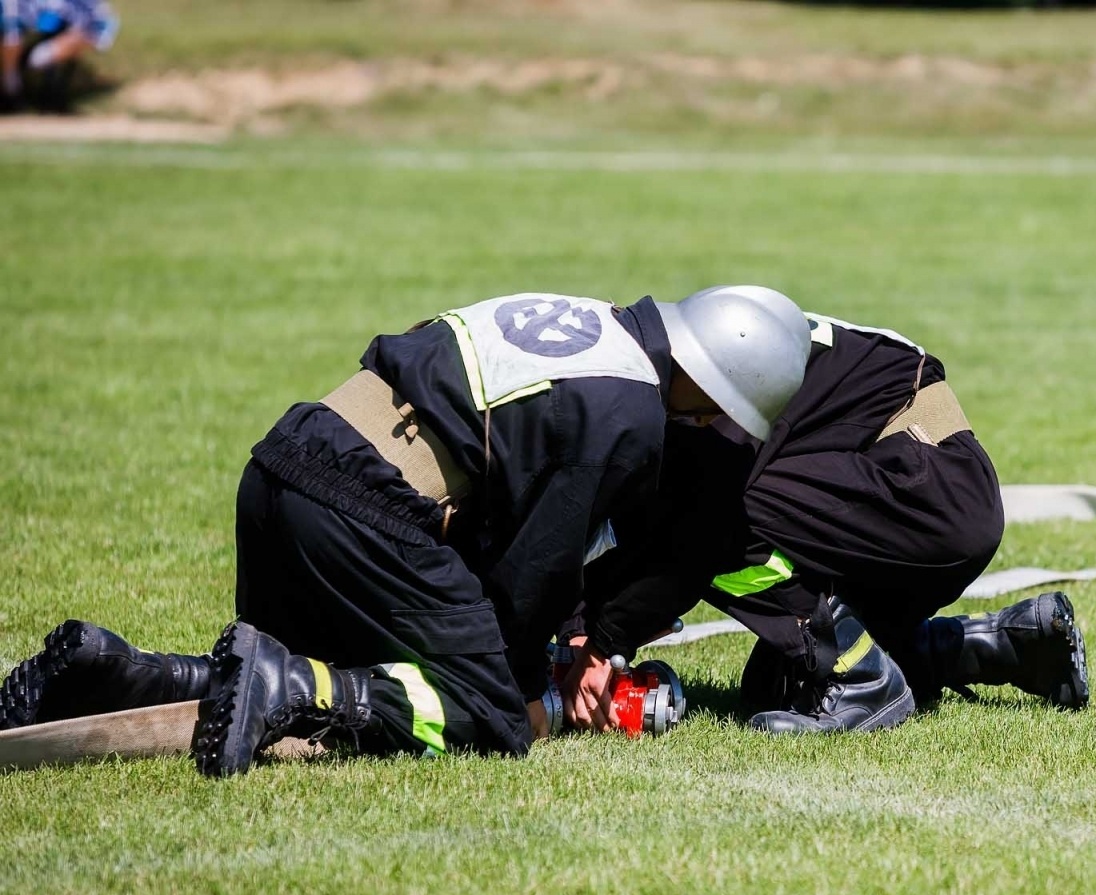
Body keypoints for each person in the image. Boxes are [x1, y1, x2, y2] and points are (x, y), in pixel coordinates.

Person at [0, 286, 812, 775]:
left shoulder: (588, 323)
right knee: (486, 714)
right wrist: (529, 690)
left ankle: (109, 672)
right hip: (362, 507)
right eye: (716, 415)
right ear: (706, 388)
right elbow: (533, 578)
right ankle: (300, 694)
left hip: (285, 462)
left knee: (311, 661)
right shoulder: (631, 412)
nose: (708, 428)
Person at [559, 312, 1089, 735]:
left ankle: (860, 681)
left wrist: (600, 642)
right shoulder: (705, 347)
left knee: (713, 523)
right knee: (777, 687)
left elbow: (697, 533)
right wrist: (584, 625)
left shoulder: (715, 382)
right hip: (928, 481)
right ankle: (1014, 641)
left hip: (926, 488)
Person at [1, 0, 119, 113]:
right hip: (27, 25)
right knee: (12, 28)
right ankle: (14, 87)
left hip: (50, 30)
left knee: (84, 32)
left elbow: (100, 22)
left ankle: (46, 90)